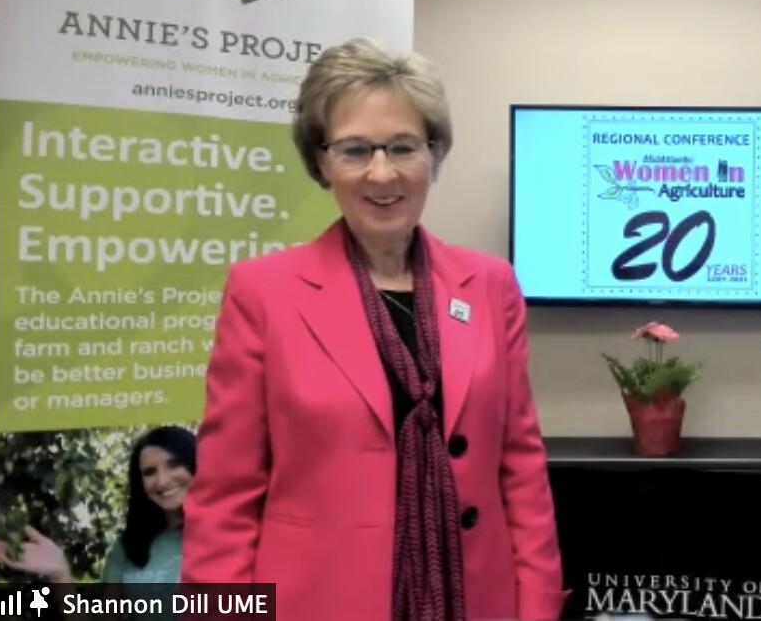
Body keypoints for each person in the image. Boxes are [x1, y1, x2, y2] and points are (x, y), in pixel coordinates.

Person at [181, 38, 567, 621]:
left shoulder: (490, 285)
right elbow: (226, 499)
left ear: (433, 155)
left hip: (475, 601)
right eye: (356, 150)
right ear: (321, 161)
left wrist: (536, 607)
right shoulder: (264, 292)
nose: (382, 173)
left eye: (403, 147)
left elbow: (520, 467)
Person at [0, 425, 196, 584]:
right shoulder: (129, 548)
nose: (162, 481)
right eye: (149, 472)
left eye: (174, 464)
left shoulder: (226, 534)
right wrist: (60, 573)